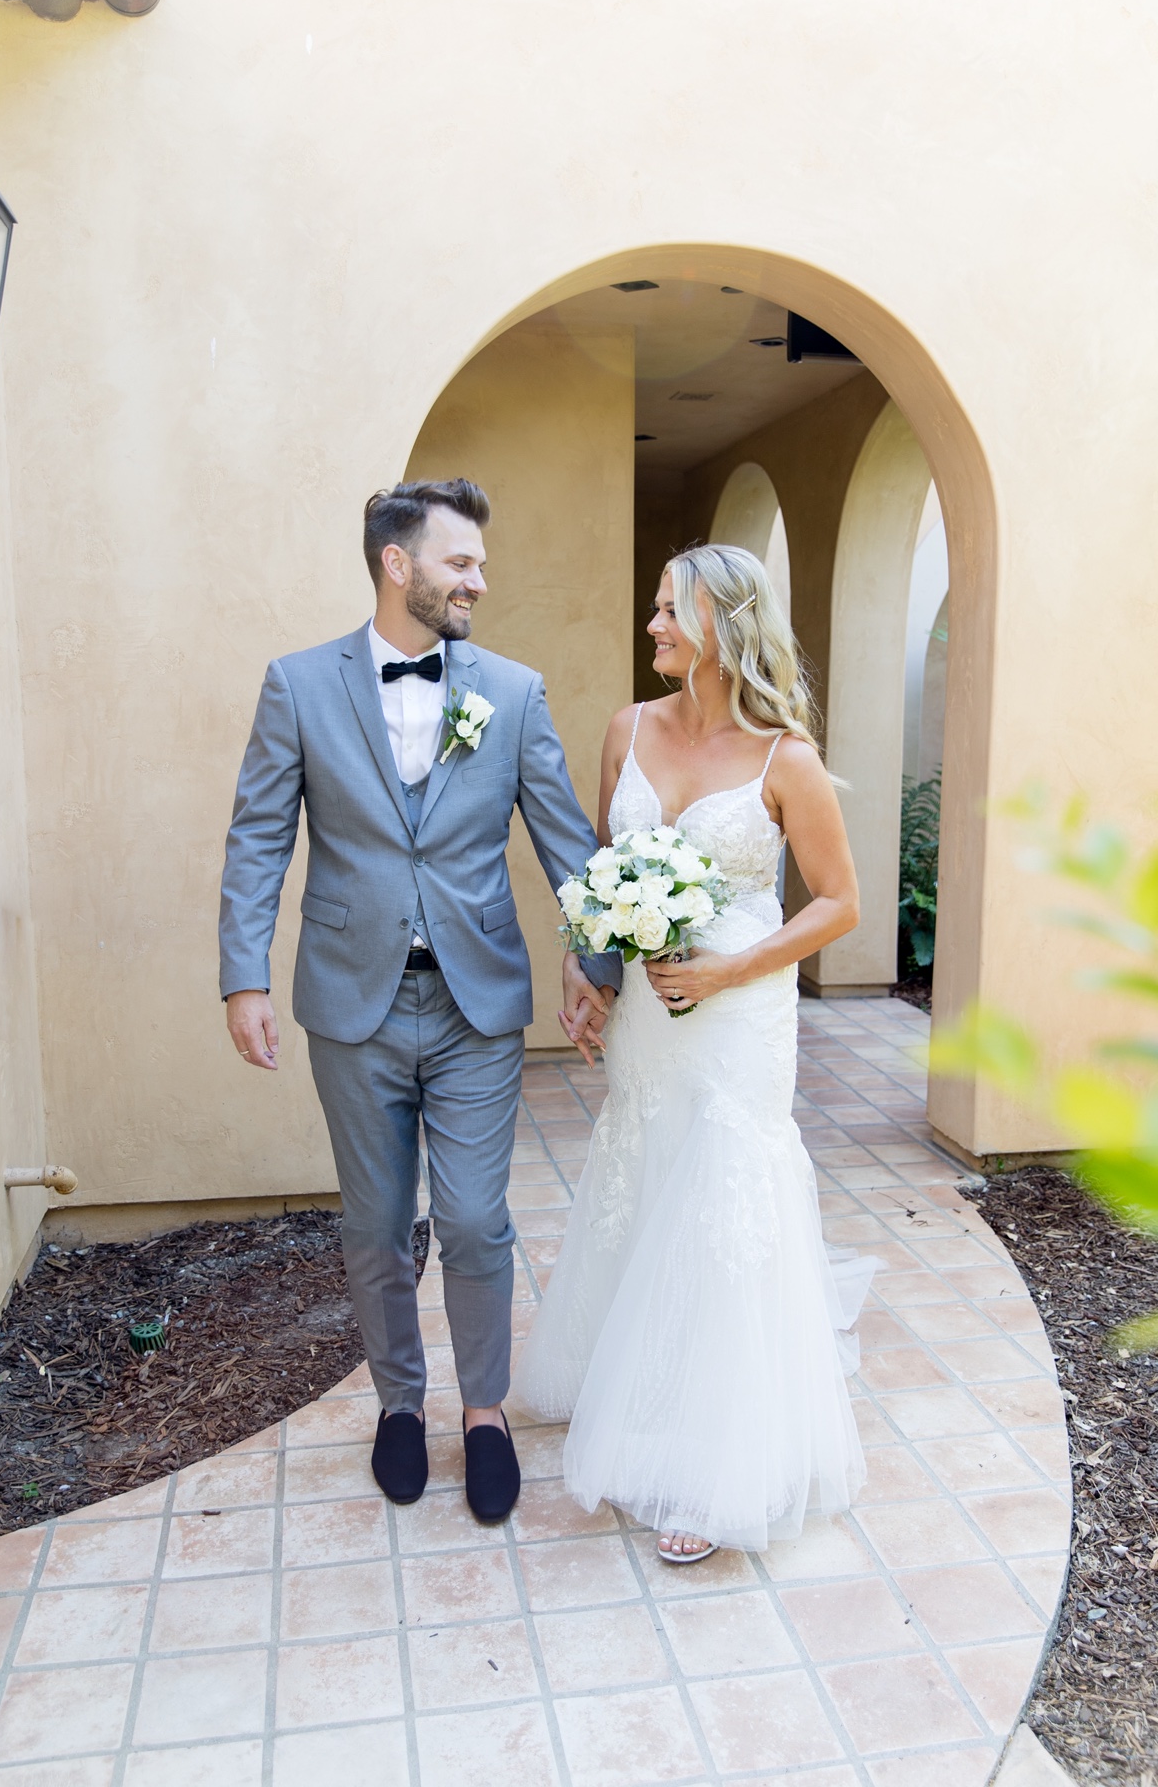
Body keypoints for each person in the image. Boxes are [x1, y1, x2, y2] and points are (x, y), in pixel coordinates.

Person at [219, 478, 619, 1522]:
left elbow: (568, 841)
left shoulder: (513, 692)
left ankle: (482, 1414)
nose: (478, 580)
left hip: (475, 1004)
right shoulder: (299, 686)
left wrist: (598, 958)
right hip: (350, 1003)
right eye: (460, 563)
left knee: (480, 1222)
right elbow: (260, 834)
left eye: (478, 564)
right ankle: (402, 1405)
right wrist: (244, 973)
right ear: (399, 566)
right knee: (377, 1224)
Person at [515, 543, 877, 1561]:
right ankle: (632, 1380)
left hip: (739, 1015)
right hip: (646, 1017)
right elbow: (600, 867)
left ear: (721, 624)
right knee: (646, 1171)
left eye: (670, 611)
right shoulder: (626, 730)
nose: (655, 628)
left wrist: (731, 970)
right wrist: (585, 974)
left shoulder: (785, 761)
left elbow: (842, 905)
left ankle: (711, 1464)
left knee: (720, 1198)